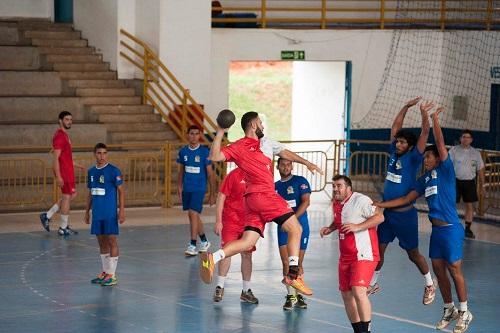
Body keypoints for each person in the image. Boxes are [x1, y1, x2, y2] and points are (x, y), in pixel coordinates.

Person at [200, 111, 322, 296]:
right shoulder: (239, 146)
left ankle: (213, 258)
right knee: (296, 229)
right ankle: (294, 275)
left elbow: (285, 152)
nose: (263, 126)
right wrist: (220, 131)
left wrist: (306, 163)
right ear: (254, 125)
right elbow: (215, 156)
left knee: (247, 241)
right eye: (260, 123)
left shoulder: (266, 143)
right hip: (264, 195)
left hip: (250, 201)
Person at [374, 108, 473, 333]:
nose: (425, 159)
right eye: (425, 156)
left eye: (429, 156)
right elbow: (406, 197)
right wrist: (380, 205)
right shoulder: (424, 179)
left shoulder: (446, 170)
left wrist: (434, 118)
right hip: (436, 232)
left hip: (451, 229)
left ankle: (465, 310)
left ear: (438, 158)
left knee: (454, 269)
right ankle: (449, 309)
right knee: (439, 270)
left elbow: (438, 140)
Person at [368, 98, 437, 306]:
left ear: (410, 146)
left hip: (405, 216)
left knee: (413, 255)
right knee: (378, 253)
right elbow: (395, 127)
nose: (398, 144)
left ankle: (429, 283)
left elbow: (425, 132)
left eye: (402, 142)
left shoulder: (414, 158)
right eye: (397, 141)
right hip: (387, 215)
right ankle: (373, 283)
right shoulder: (393, 153)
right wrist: (406, 107)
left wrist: (424, 113)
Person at [320, 175, 384, 333]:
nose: (335, 189)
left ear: (349, 188)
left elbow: (379, 217)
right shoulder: (337, 204)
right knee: (346, 295)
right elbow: (340, 220)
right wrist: (330, 228)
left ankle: (367, 330)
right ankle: (359, 330)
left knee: (358, 290)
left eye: (339, 186)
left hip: (363, 254)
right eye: (334, 186)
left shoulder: (360, 200)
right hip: (345, 257)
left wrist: (358, 226)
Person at [212, 167, 258, 304]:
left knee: (247, 254)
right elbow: (221, 197)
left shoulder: (257, 175)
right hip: (231, 220)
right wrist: (218, 221)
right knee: (227, 251)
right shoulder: (233, 175)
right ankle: (219, 286)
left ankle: (246, 291)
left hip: (249, 221)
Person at [84, 143, 125, 287]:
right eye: (99, 153)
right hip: (97, 214)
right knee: (101, 243)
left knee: (112, 241)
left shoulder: (113, 171)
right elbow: (90, 193)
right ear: (94, 154)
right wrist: (87, 212)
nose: (102, 156)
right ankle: (105, 272)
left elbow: (121, 191)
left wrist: (121, 211)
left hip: (109, 213)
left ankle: (112, 275)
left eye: (104, 153)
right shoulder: (91, 172)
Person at [39, 111, 85, 236]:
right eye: (66, 119)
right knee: (66, 197)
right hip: (64, 173)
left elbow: (65, 157)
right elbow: (56, 159)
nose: (69, 121)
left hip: (68, 171)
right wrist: (58, 176)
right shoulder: (59, 136)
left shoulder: (65, 135)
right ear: (60, 121)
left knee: (72, 195)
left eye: (70, 119)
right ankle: (63, 227)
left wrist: (75, 164)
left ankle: (47, 215)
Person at [275, 157, 311, 310]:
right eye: (282, 164)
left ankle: (299, 295)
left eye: (288, 164)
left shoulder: (300, 181)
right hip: (283, 228)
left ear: (292, 166)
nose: (286, 167)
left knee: (298, 264)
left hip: (301, 226)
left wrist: (292, 220)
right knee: (286, 263)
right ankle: (291, 296)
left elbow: (306, 202)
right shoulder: (274, 187)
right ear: (277, 167)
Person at [177, 125, 215, 256]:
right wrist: (179, 187)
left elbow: (210, 174)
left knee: (193, 213)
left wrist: (212, 193)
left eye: (196, 134)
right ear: (188, 135)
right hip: (187, 188)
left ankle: (193, 244)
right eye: (191, 133)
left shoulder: (205, 152)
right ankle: (204, 241)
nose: (194, 136)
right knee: (192, 215)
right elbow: (181, 171)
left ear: (200, 135)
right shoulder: (183, 152)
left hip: (199, 188)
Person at [449, 130, 485, 239]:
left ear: (471, 140)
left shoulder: (476, 153)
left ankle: (467, 229)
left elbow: (481, 169)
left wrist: (482, 185)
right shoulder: (453, 150)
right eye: (464, 137)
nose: (465, 139)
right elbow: (447, 166)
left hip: (469, 182)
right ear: (460, 138)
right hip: (454, 181)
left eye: (468, 137)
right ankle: (451, 227)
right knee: (451, 204)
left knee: (470, 206)